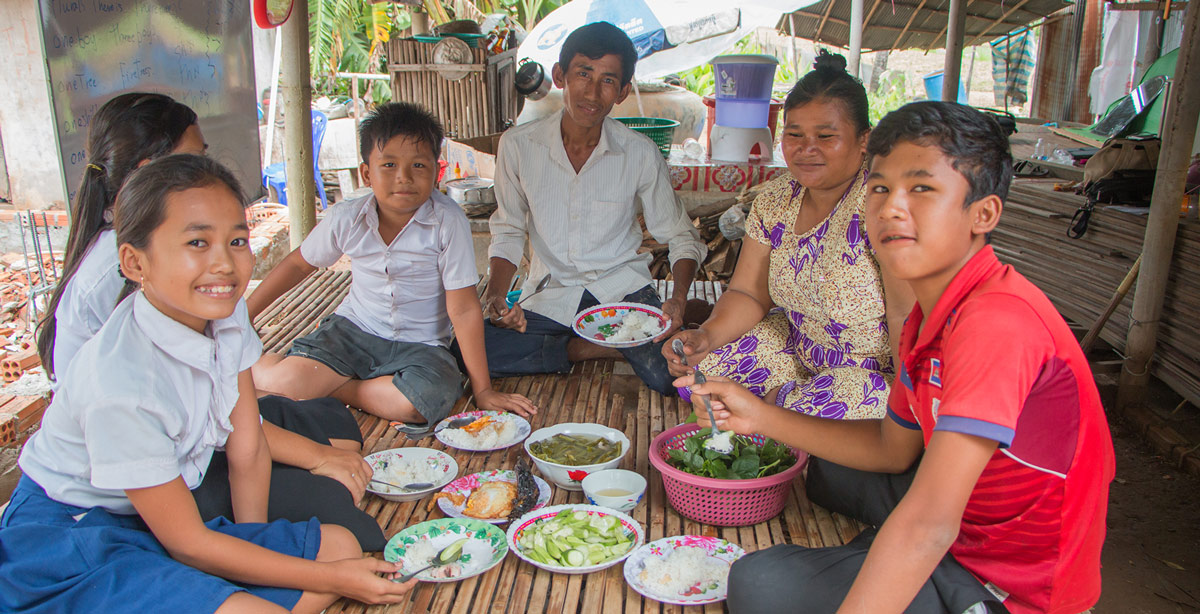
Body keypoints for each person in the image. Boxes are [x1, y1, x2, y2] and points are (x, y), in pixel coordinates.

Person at [681, 102, 1115, 614]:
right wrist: (759, 416)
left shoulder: (995, 323)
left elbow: (929, 525)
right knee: (828, 472)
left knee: (760, 584)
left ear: (984, 214)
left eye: (922, 188)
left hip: (1009, 584)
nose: (891, 208)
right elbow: (892, 450)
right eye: (881, 188)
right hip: (966, 520)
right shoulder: (930, 317)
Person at [1, 154, 417, 613]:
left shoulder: (224, 312)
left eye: (237, 240)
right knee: (280, 597)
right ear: (135, 263)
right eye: (198, 242)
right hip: (74, 535)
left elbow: (248, 444)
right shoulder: (122, 385)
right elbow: (190, 545)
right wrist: (328, 579)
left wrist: (251, 541)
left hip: (152, 516)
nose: (225, 263)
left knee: (340, 545)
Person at [30, 92, 385, 550]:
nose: (206, 173)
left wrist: (303, 462)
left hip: (193, 426)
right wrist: (315, 460)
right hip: (139, 466)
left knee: (335, 425)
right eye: (193, 161)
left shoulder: (213, 285)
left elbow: (235, 420)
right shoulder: (127, 300)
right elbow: (201, 427)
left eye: (237, 241)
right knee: (343, 517)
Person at [249, 102, 535, 428]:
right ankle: (297, 374)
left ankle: (339, 388)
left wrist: (483, 390)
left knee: (421, 403)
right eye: (388, 165)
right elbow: (298, 265)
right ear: (366, 173)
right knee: (281, 385)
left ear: (437, 172)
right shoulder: (347, 217)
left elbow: (464, 309)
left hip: (422, 344)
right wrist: (244, 314)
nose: (403, 177)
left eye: (418, 165)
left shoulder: (447, 221)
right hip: (351, 332)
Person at [664, 51, 912, 419]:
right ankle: (776, 408)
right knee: (702, 376)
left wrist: (912, 401)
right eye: (794, 134)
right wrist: (707, 337)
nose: (806, 149)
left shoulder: (881, 206)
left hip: (870, 372)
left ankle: (776, 411)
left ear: (865, 140)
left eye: (826, 136)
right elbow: (748, 292)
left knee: (784, 410)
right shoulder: (776, 200)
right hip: (795, 347)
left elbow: (905, 317)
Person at [484, 21, 706, 396]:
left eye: (607, 80)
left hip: (620, 290)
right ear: (560, 76)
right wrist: (495, 297)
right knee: (473, 349)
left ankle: (656, 331)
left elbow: (681, 236)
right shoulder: (518, 146)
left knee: (667, 377)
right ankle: (599, 347)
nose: (592, 91)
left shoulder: (639, 153)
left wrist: (679, 299)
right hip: (550, 294)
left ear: (620, 92)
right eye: (583, 73)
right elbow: (507, 230)